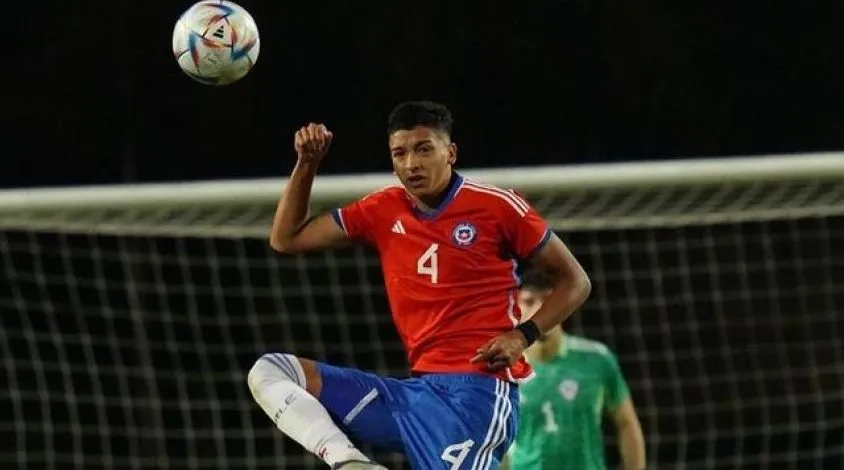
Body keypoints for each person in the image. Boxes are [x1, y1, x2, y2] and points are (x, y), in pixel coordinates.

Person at [246, 101, 592, 469]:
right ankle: (348, 462)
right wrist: (307, 163)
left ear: (451, 153)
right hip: (412, 397)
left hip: (475, 395)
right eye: (400, 153)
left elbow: (576, 281)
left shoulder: (497, 207)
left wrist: (522, 335)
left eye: (424, 149)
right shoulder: (382, 208)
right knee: (272, 371)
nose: (411, 163)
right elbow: (286, 238)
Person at [501, 270, 646, 470]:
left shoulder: (597, 359)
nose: (540, 308)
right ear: (516, 308)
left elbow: (626, 423)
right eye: (529, 301)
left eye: (548, 300)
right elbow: (496, 443)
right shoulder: (503, 370)